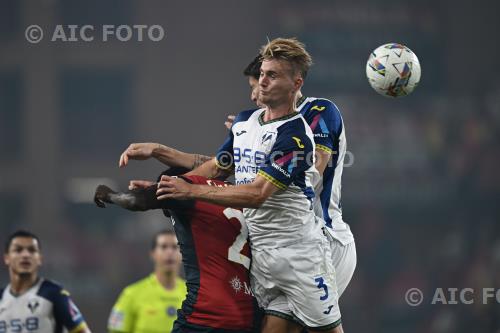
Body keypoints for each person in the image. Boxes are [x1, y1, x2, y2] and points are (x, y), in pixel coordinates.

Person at [156, 38, 342, 333]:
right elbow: (218, 167)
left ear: (296, 83)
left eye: (273, 75)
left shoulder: (296, 137)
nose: (262, 82)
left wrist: (189, 191)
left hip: (299, 255)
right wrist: (166, 187)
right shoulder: (245, 123)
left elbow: (257, 195)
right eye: (263, 74)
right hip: (261, 256)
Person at [95, 167, 257, 333]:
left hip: (205, 315)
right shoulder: (237, 193)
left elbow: (137, 201)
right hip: (248, 315)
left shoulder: (183, 189)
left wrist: (109, 195)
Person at [0, 230, 91, 333]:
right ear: (6, 258)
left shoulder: (54, 294)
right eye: (18, 250)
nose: (25, 255)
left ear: (40, 259)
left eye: (32, 250)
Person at [107, 230, 186, 333]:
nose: (170, 252)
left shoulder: (192, 294)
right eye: (163, 247)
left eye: (175, 247)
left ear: (182, 254)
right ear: (153, 254)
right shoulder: (132, 294)